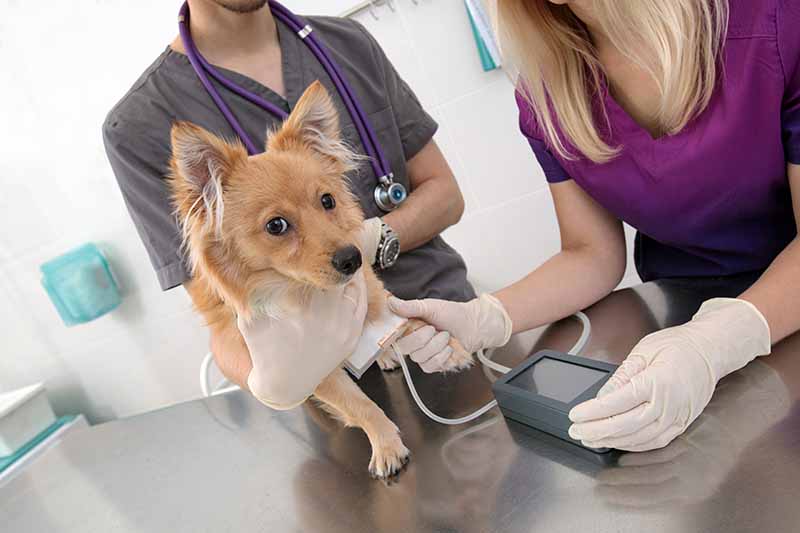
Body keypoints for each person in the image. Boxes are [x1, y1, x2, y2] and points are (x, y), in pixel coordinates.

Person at [389, 0, 800, 451]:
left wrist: (715, 342)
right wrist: (485, 317)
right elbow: (591, 253)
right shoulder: (549, 94)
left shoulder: (772, 21)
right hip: (680, 327)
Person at [103, 0, 474, 390]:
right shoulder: (137, 126)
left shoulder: (348, 45)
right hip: (332, 379)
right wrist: (272, 384)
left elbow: (447, 194)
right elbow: (220, 314)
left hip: (447, 326)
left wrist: (367, 242)